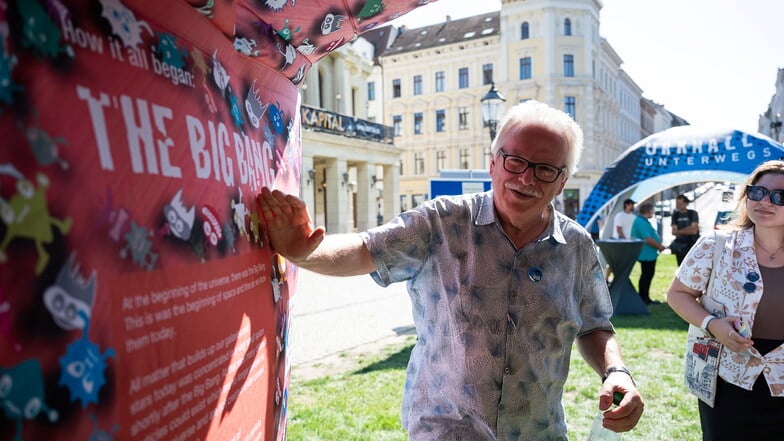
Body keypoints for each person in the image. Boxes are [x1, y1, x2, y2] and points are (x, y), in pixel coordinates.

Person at [258, 100, 643, 439]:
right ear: (492, 162)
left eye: (545, 169)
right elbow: (364, 250)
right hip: (445, 431)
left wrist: (616, 372)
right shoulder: (441, 222)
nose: (526, 178)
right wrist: (307, 252)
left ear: (562, 182)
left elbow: (594, 324)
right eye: (516, 161)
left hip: (537, 432)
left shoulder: (576, 247)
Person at [667, 160, 784, 440]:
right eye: (757, 192)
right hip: (727, 379)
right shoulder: (715, 244)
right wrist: (712, 324)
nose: (765, 201)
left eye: (779, 196)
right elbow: (677, 294)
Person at [629, 203, 665, 305]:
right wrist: (659, 247)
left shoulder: (642, 220)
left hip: (648, 254)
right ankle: (643, 298)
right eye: (653, 210)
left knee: (647, 275)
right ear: (649, 211)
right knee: (646, 275)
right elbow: (648, 239)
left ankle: (645, 297)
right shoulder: (640, 221)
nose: (653, 212)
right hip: (646, 255)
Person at [670, 194, 700, 265]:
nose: (678, 206)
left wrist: (679, 231)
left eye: (680, 203)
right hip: (680, 246)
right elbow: (674, 232)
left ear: (686, 203)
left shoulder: (692, 213)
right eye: (677, 204)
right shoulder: (675, 215)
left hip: (692, 244)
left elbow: (694, 231)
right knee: (681, 266)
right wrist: (688, 229)